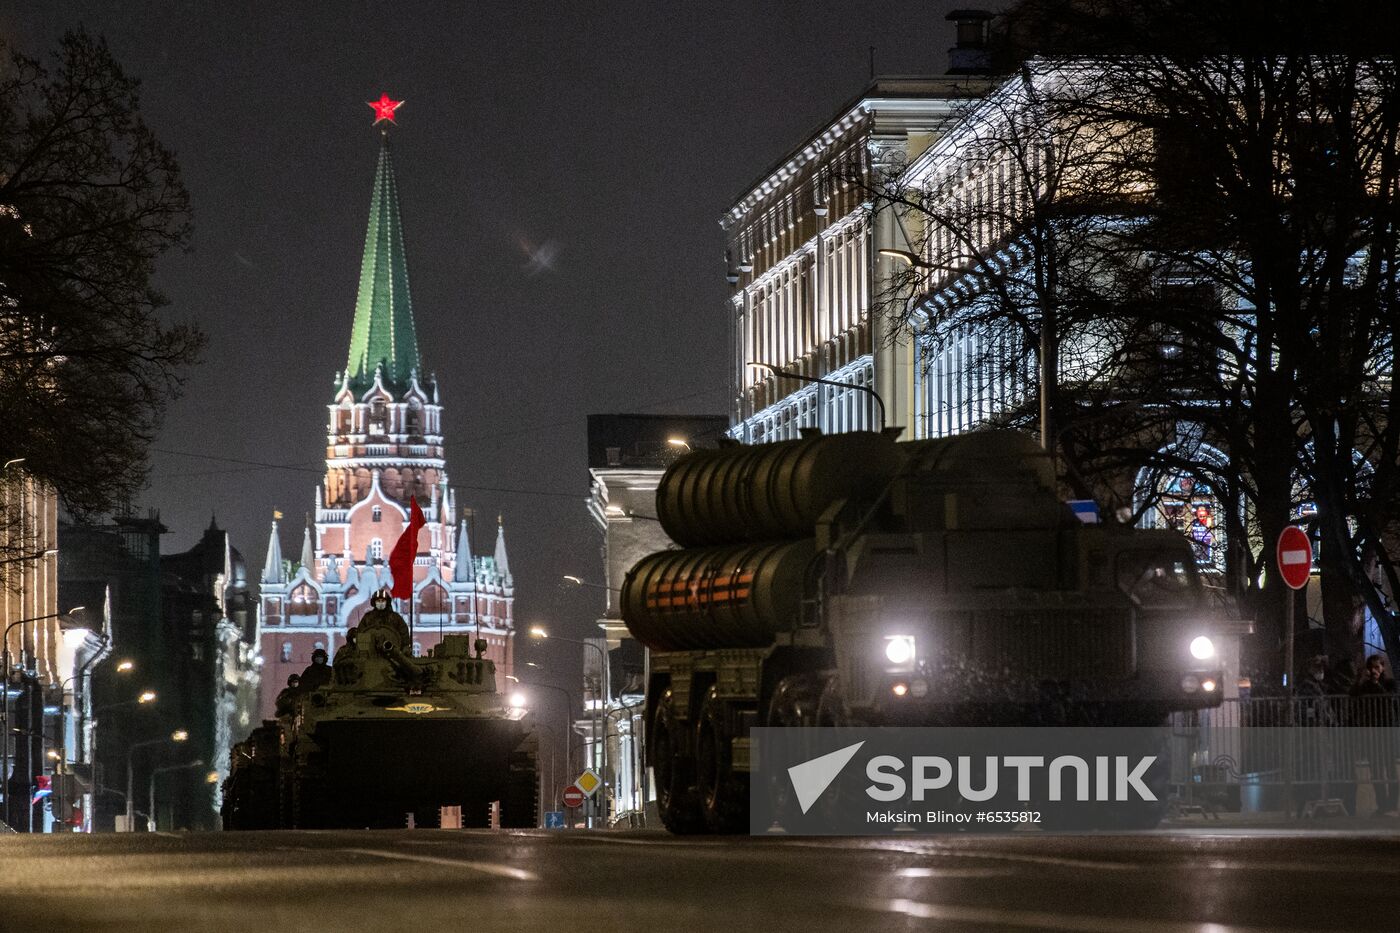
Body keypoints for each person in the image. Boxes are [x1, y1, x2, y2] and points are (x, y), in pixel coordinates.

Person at [1350, 654, 1397, 815]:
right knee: (1376, 769)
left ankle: (1392, 804)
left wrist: (1376, 683)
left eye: (1377, 667)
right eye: (1372, 667)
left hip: (1387, 729)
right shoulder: (1366, 685)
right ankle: (1382, 804)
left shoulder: (1389, 683)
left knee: (1390, 769)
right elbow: (1353, 694)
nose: (1374, 670)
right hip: (1371, 730)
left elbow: (1389, 698)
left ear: (1383, 667)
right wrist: (1359, 678)